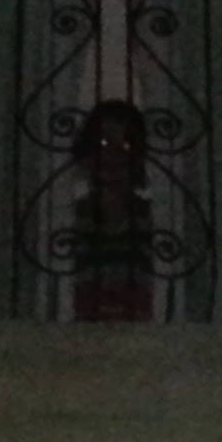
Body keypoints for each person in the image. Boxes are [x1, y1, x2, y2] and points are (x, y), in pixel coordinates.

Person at [71, 100, 154, 321]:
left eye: (126, 145)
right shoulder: (71, 219)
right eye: (104, 143)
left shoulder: (153, 220)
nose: (114, 154)